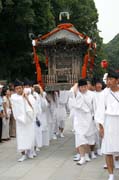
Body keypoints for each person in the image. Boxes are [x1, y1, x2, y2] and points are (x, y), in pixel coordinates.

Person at [95, 70, 119, 180]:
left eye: (111, 79)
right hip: (109, 121)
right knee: (108, 149)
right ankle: (111, 174)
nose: (108, 82)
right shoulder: (104, 93)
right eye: (108, 79)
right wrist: (101, 126)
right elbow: (100, 110)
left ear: (117, 80)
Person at [69, 79, 96, 165]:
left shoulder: (92, 95)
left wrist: (95, 117)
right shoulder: (76, 94)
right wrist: (76, 86)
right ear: (79, 87)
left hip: (88, 118)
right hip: (79, 118)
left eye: (85, 86)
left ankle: (87, 154)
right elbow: (71, 94)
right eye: (81, 87)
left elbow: (95, 107)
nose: (83, 88)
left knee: (88, 138)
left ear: (87, 86)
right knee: (80, 138)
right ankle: (82, 157)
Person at [11, 80, 35, 162]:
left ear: (22, 88)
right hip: (20, 121)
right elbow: (17, 103)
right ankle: (23, 154)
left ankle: (30, 151)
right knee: (21, 138)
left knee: (29, 136)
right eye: (17, 88)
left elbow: (32, 106)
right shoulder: (13, 97)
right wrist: (23, 97)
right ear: (15, 90)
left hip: (28, 120)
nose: (19, 90)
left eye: (20, 88)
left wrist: (26, 98)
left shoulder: (27, 95)